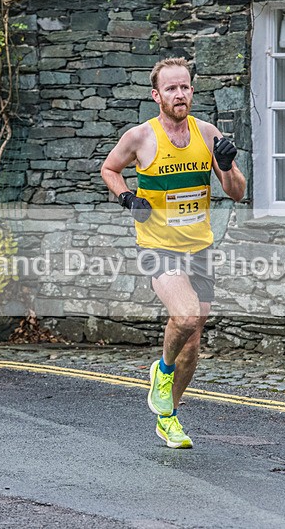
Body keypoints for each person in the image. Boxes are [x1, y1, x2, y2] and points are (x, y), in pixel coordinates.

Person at [100, 57, 246, 449]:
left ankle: (168, 416)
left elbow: (237, 192)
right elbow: (110, 169)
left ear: (191, 91)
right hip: (158, 246)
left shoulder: (208, 134)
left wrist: (228, 165)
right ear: (157, 95)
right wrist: (126, 197)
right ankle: (161, 373)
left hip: (199, 248)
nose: (179, 94)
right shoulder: (140, 137)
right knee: (183, 318)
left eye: (185, 87)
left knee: (193, 342)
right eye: (171, 89)